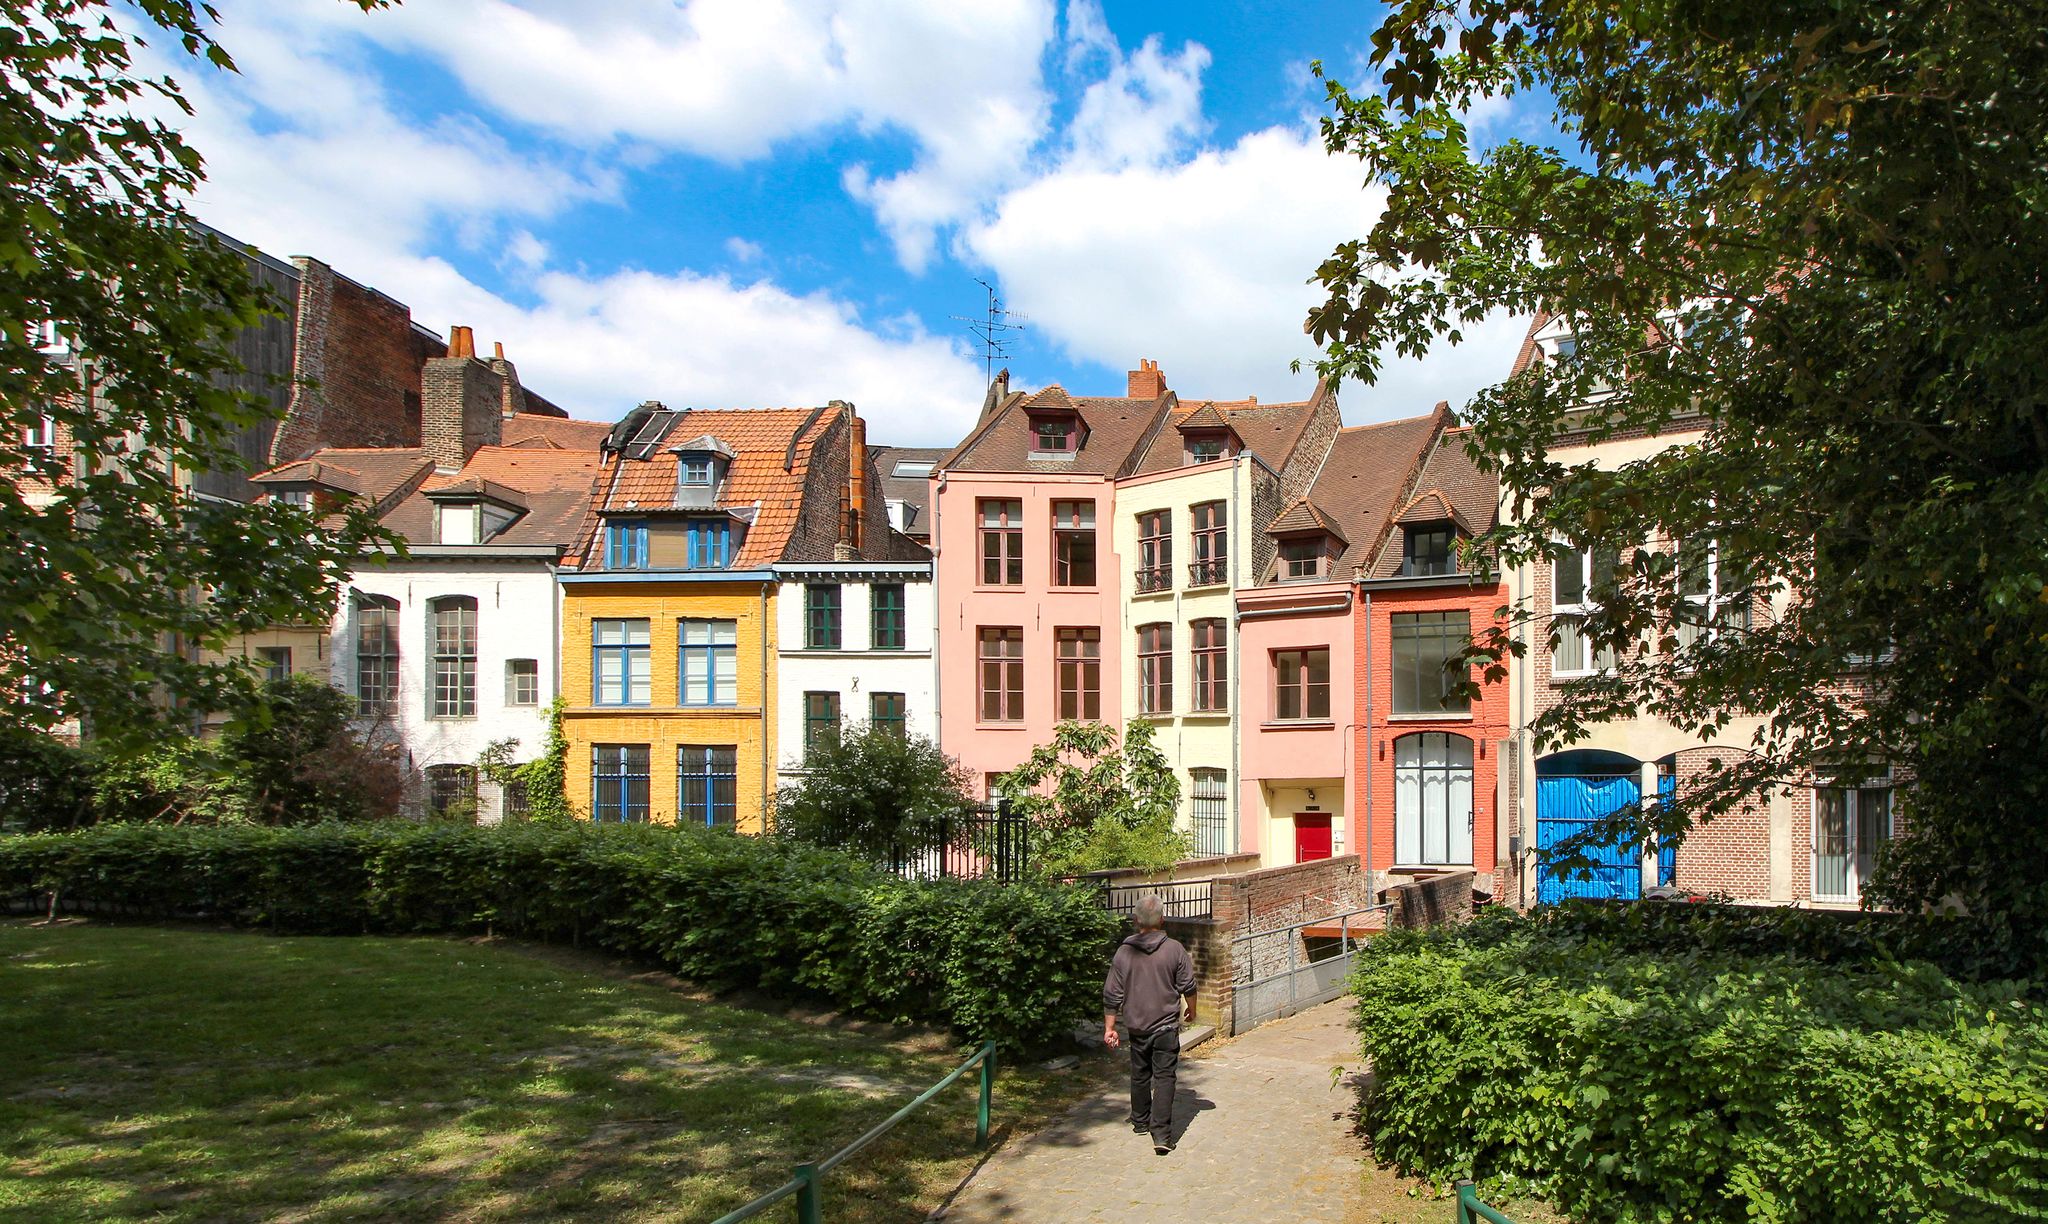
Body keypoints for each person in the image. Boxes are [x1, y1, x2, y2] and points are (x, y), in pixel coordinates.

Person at [1101, 893, 1198, 1154]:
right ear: (1162, 920)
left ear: (1136, 920)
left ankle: (1140, 1120)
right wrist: (1192, 1009)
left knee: (1140, 1074)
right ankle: (1162, 1135)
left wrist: (1109, 1027)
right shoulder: (1174, 949)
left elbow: (1112, 994)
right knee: (1165, 1077)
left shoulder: (1124, 952)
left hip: (1137, 1025)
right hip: (1166, 1025)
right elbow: (1188, 985)